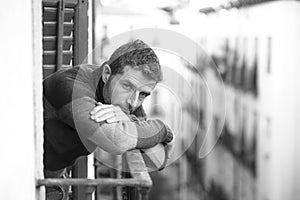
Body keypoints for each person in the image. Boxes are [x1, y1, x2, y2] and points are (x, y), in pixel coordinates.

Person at [43, 39, 175, 199]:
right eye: (126, 86)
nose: (134, 102)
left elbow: (156, 160)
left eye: (144, 95)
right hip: (24, 177)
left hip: (55, 183)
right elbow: (117, 141)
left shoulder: (129, 99)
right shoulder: (70, 87)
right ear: (107, 73)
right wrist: (163, 130)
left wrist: (128, 120)